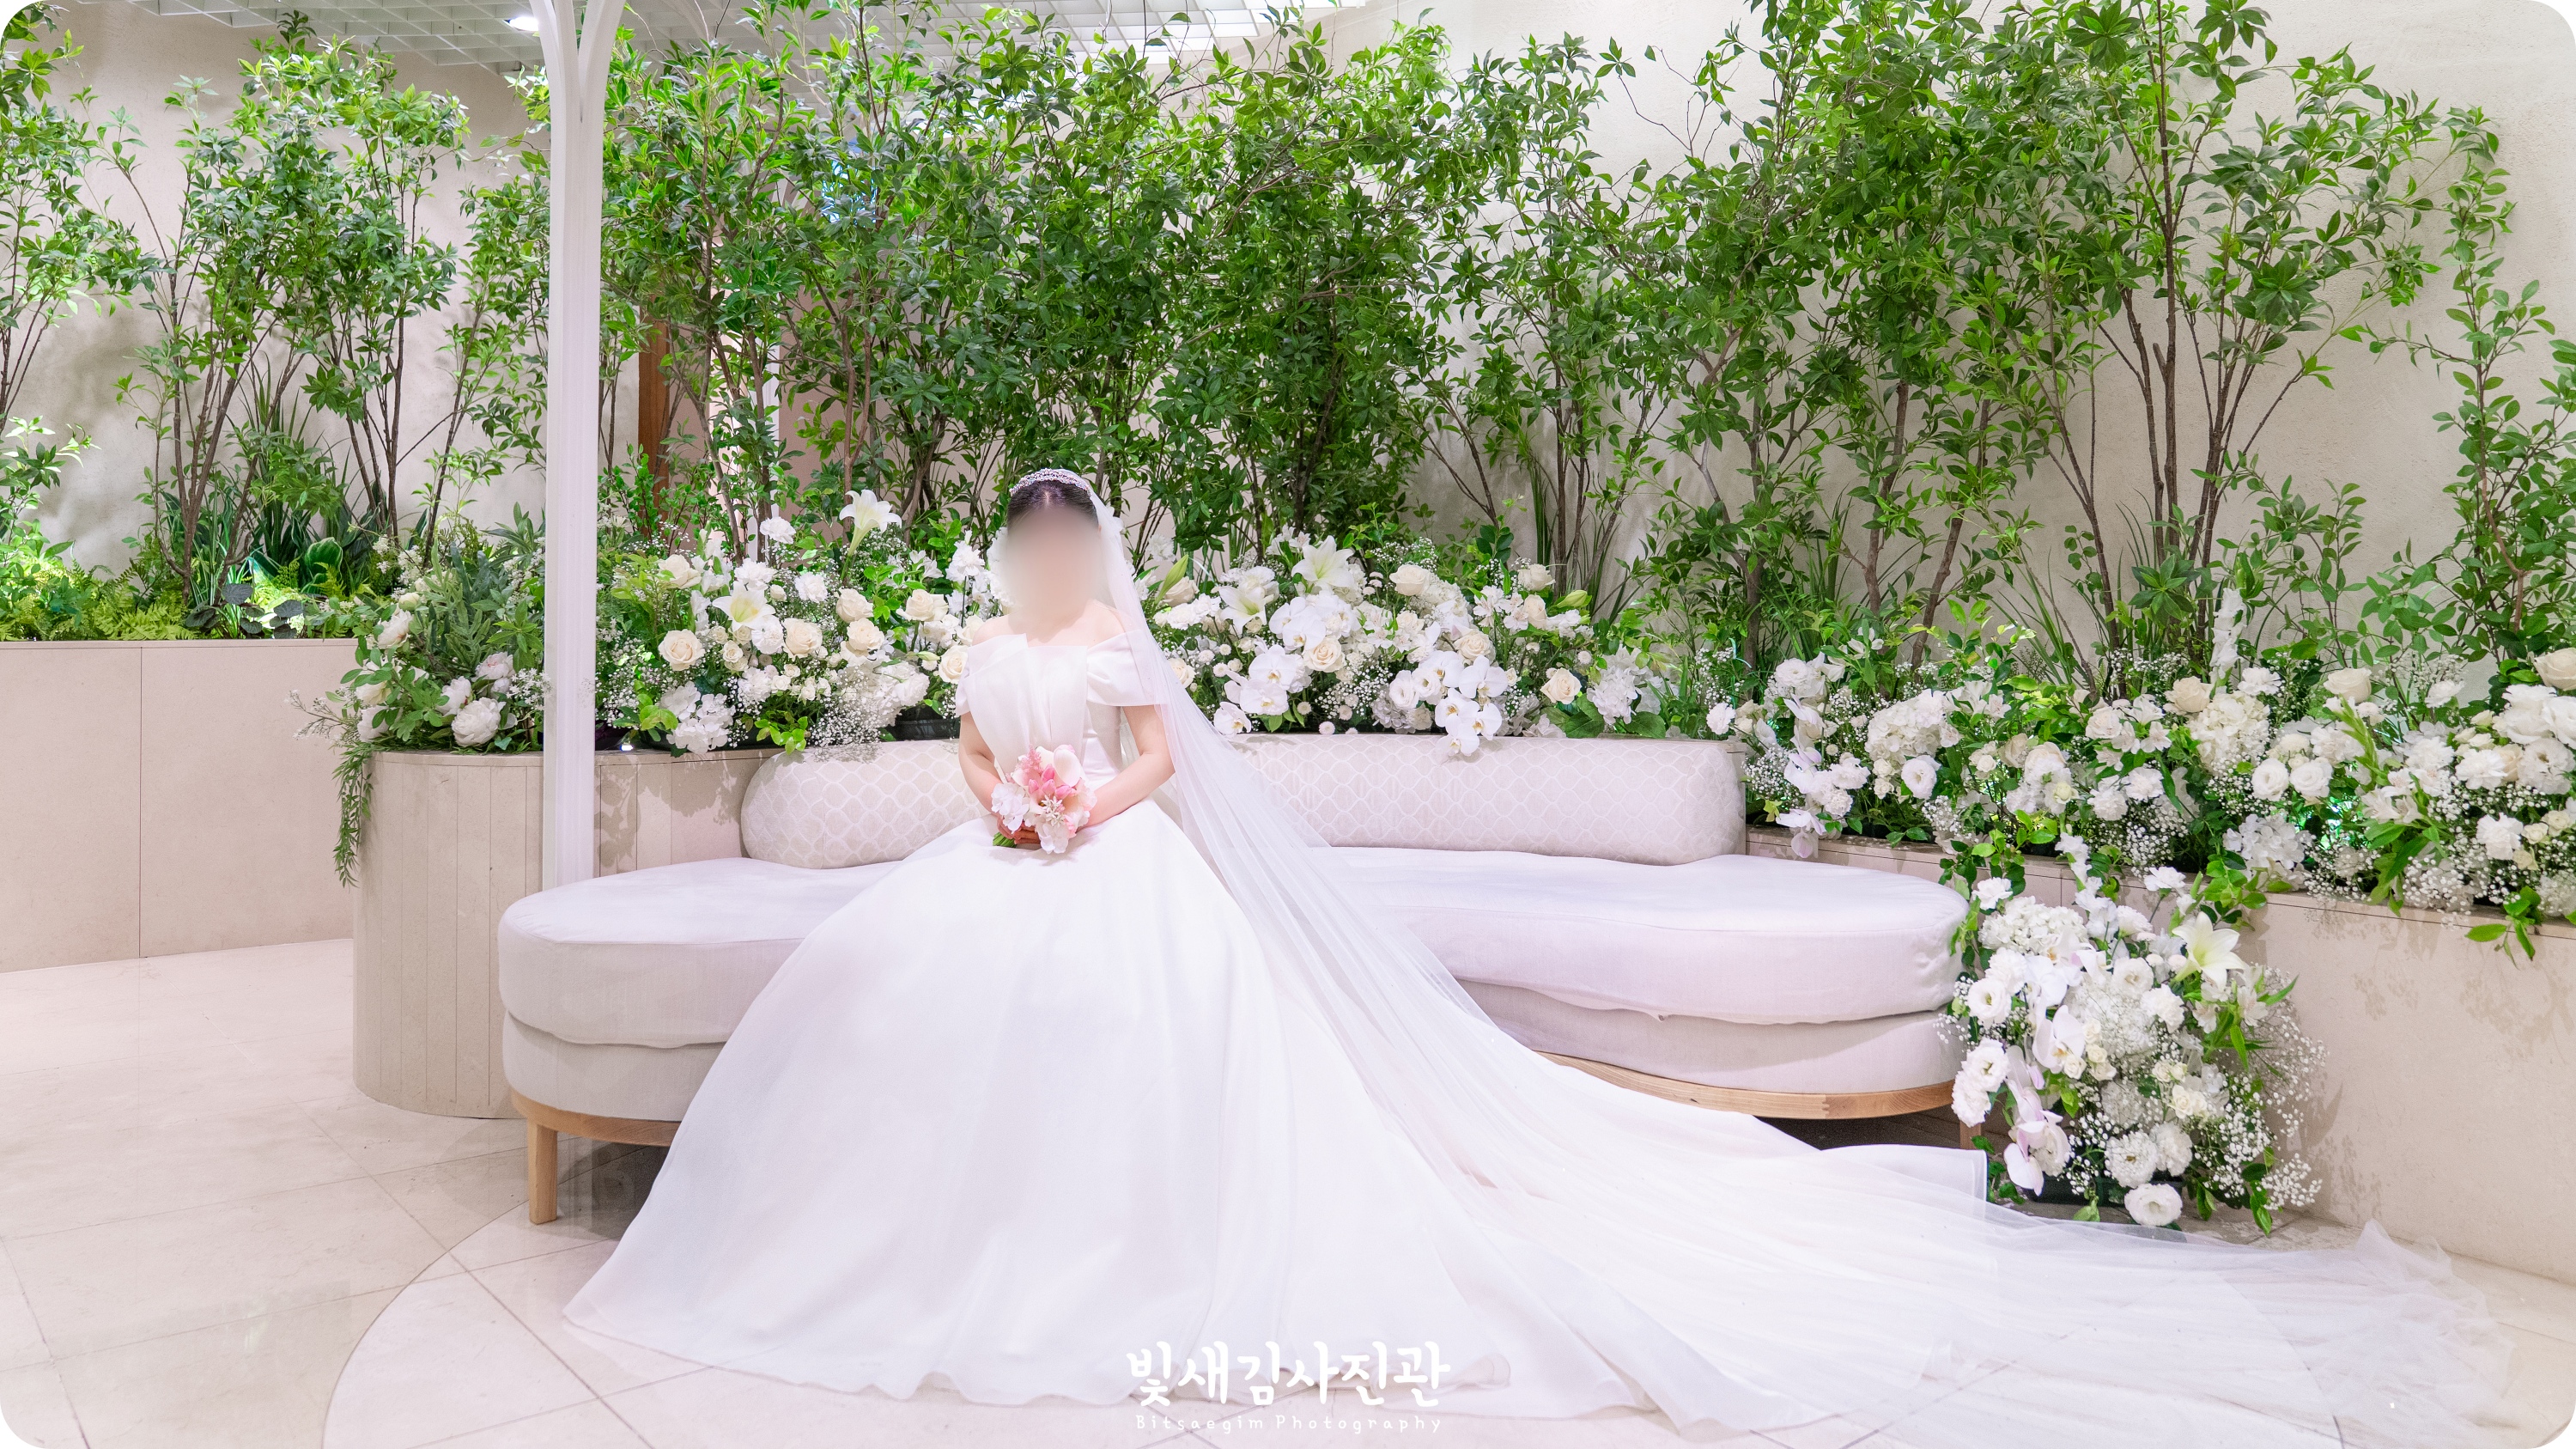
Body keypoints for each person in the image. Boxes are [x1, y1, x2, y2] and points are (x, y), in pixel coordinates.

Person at [564, 470, 2508, 1447]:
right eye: (1030, 552)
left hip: (1118, 868)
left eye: (1064, 549)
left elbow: (1154, 762)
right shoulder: (988, 648)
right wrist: (1009, 803)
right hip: (1001, 868)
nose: (1045, 575)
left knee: (1134, 1029)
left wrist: (1090, 811)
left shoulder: (1125, 647)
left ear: (1094, 558)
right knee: (897, 1008)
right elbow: (984, 752)